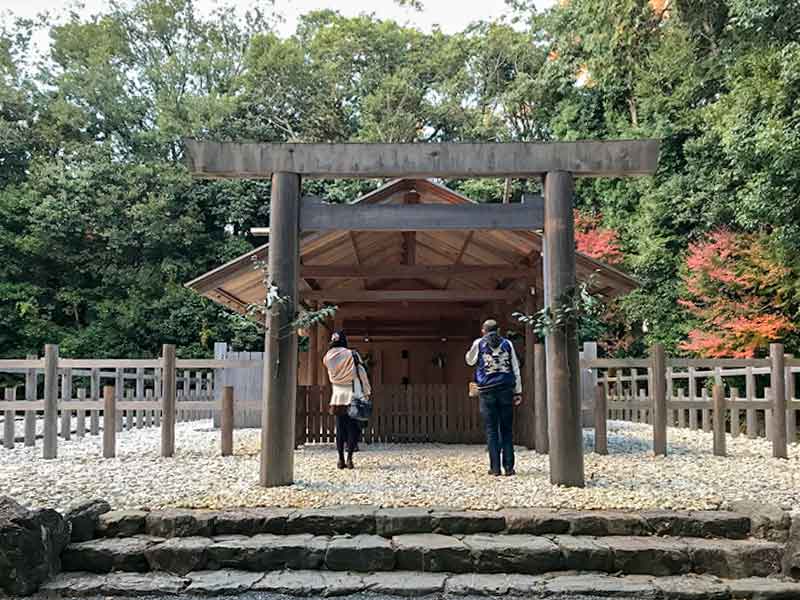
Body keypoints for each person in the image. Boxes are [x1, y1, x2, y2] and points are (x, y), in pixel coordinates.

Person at [465, 319, 522, 476]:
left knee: (491, 430)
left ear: (483, 331)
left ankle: (495, 468)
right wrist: (518, 392)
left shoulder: (479, 343)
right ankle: (509, 467)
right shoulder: (507, 344)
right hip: (505, 390)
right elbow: (515, 367)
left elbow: (470, 361)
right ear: (498, 330)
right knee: (507, 429)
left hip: (487, 390)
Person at [322, 330, 371, 470]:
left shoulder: (327, 357)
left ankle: (340, 459)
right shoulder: (352, 354)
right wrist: (367, 392)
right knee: (353, 428)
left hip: (337, 394)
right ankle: (349, 458)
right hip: (353, 393)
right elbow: (361, 373)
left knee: (340, 428)